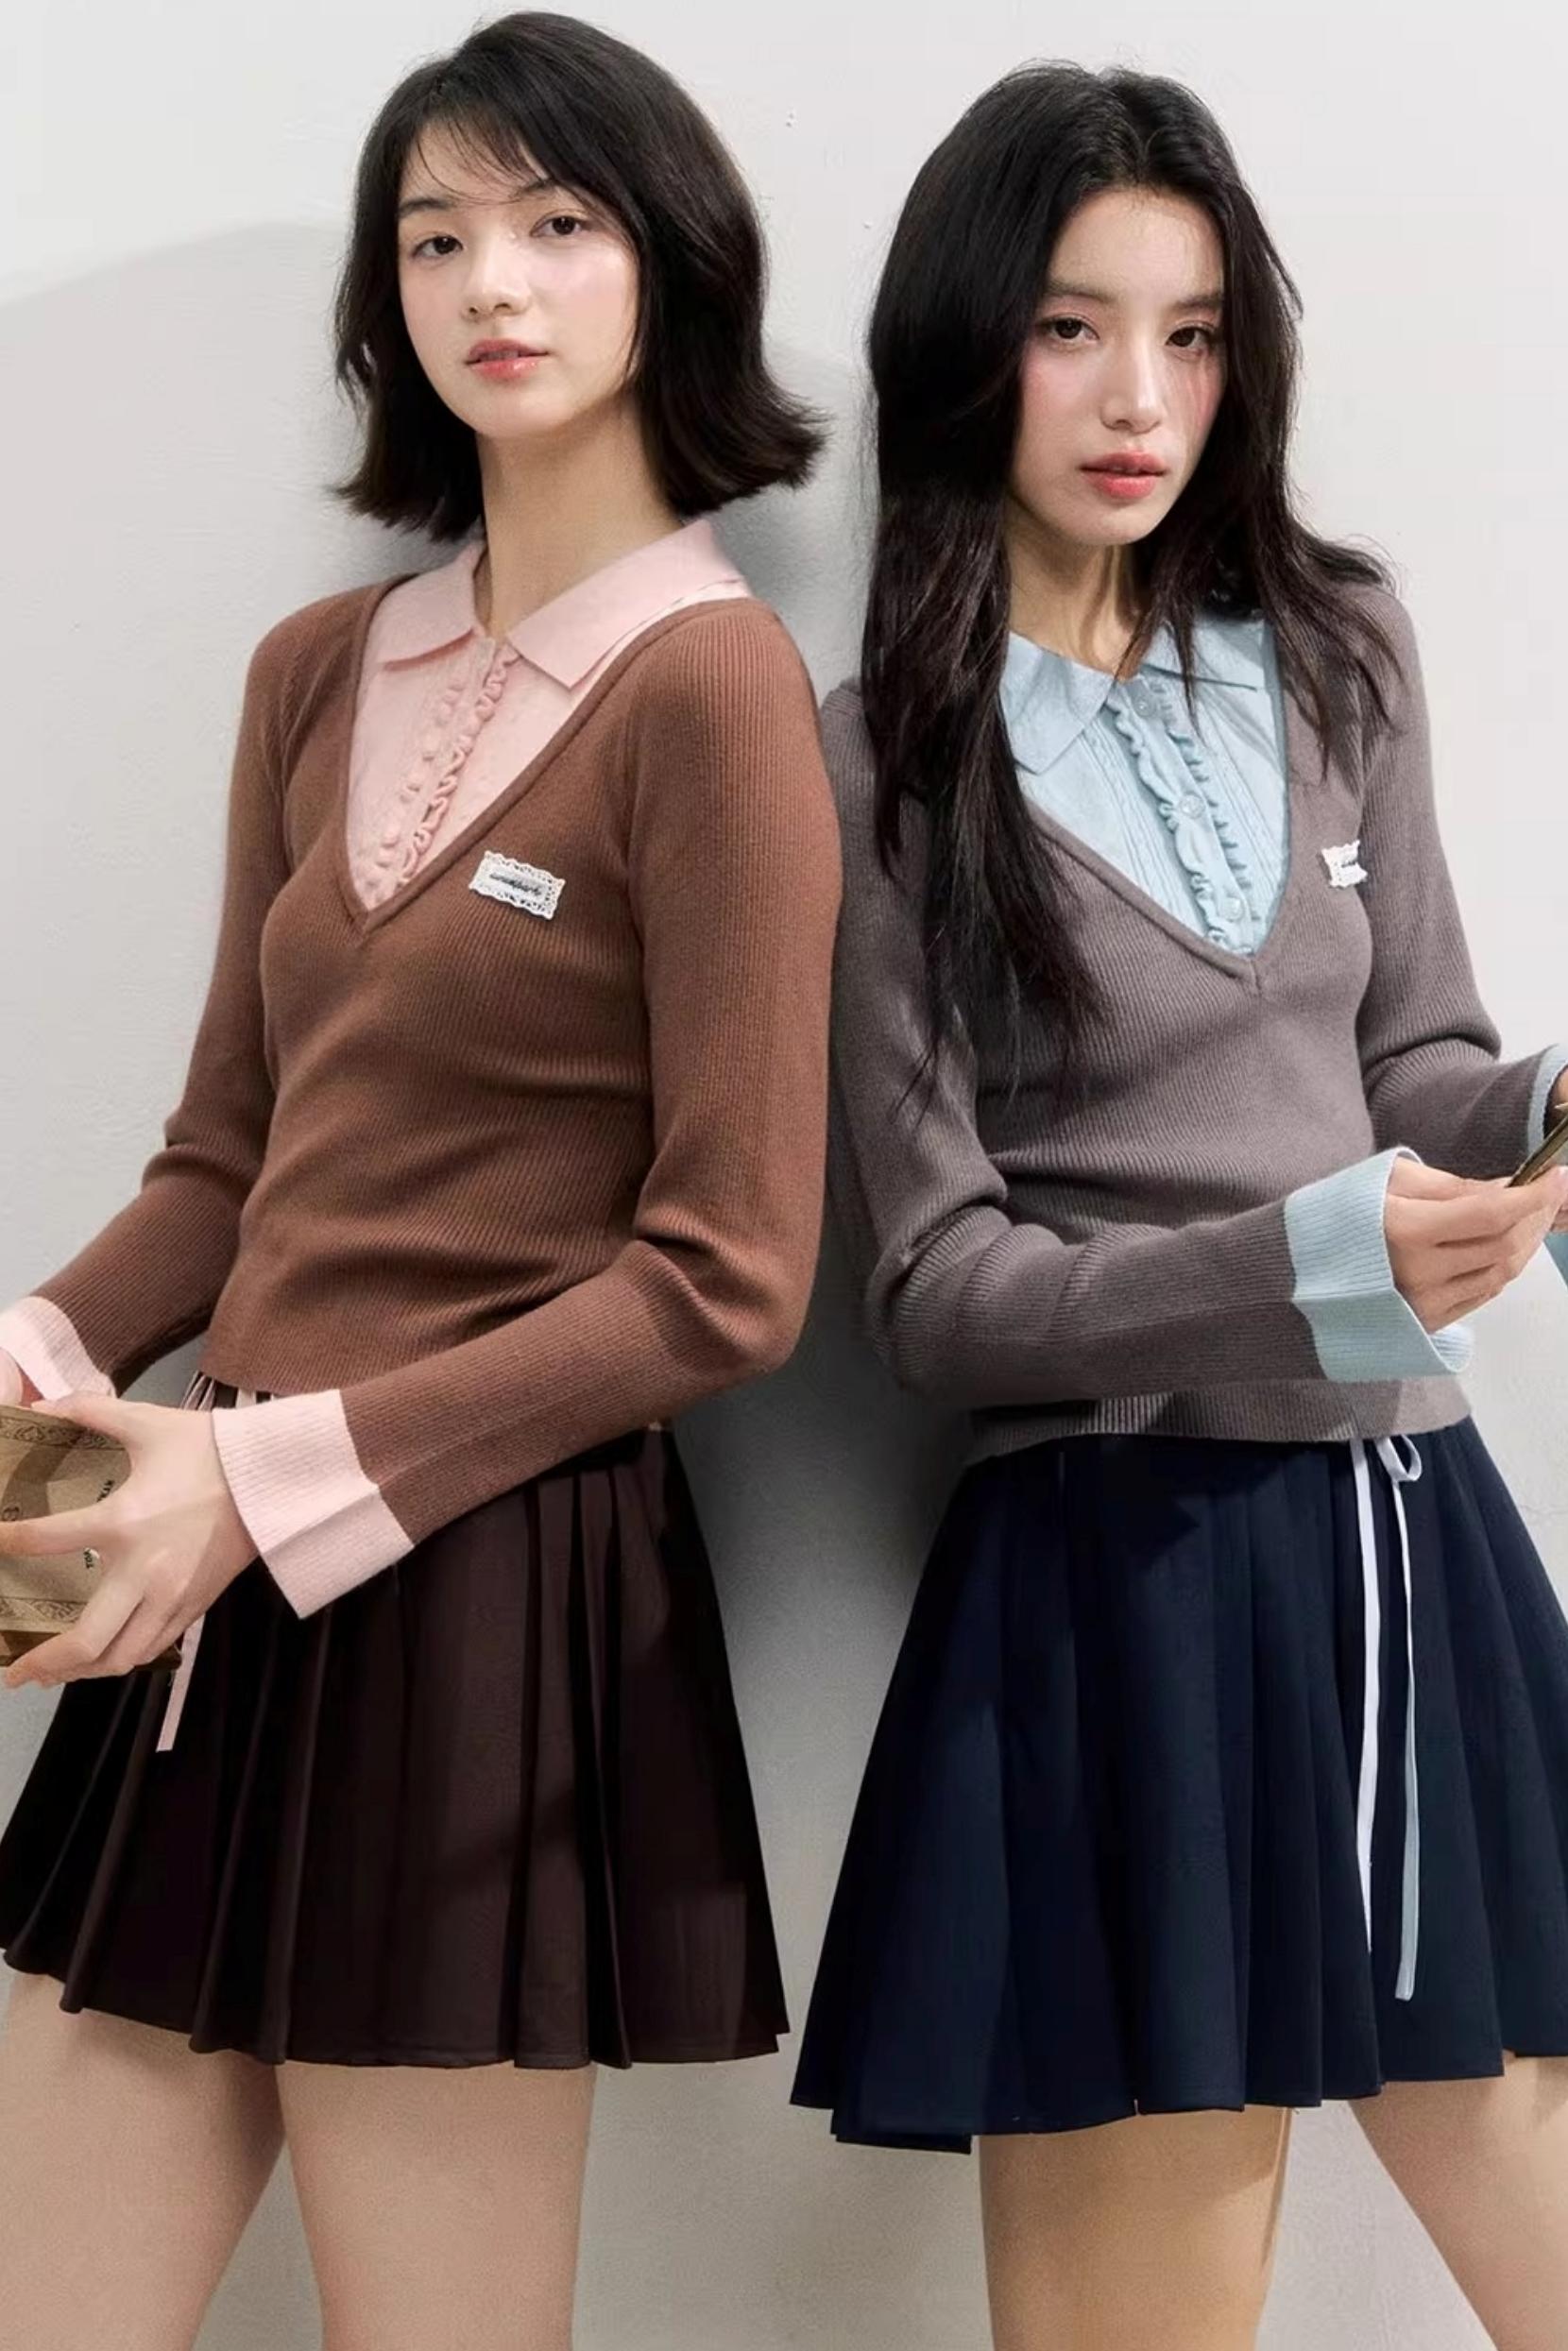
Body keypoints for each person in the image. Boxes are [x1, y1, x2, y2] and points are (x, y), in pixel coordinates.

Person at [0, 15, 840, 2348]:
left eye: (557, 223)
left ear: (667, 266)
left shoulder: (712, 693)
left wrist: (261, 1478)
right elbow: (227, 1155)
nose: (495, 282)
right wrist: (45, 1338)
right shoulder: (313, 672)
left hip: (481, 1590)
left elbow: (728, 1277)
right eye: (437, 236)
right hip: (201, 1581)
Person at [793, 61, 1568, 2351]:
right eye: (1071, 328)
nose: (1140, 398)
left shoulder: (1335, 649)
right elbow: (935, 1293)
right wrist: (1305, 1262)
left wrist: (1537, 1111)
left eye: (1193, 334)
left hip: (1404, 1536)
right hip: (1109, 1580)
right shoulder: (870, 750)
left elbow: (1414, 1060)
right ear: (968, 345)